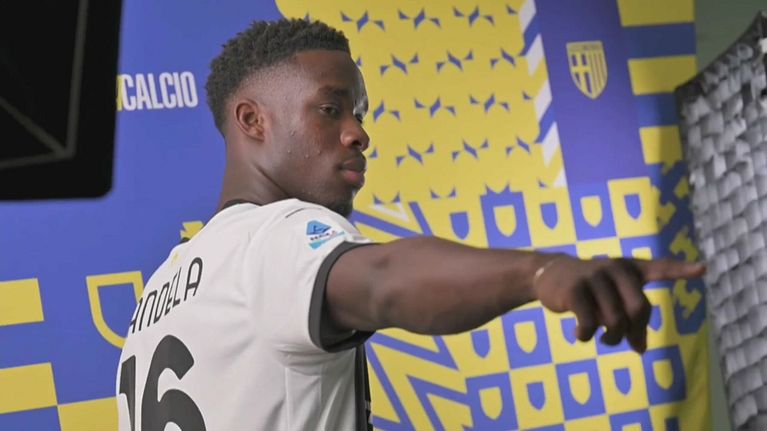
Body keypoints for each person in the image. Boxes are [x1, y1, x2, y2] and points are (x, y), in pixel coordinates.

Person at [115, 18, 706, 431]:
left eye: (358, 113)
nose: (358, 132)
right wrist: (539, 271)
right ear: (252, 120)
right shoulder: (278, 234)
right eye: (331, 109)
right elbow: (383, 279)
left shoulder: (158, 295)